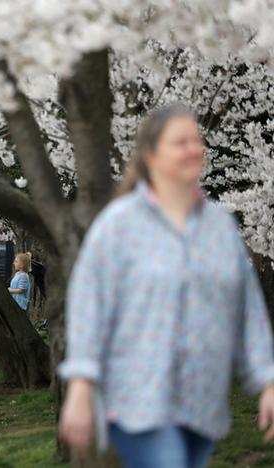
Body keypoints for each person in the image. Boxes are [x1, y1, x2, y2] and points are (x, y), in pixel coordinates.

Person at [58, 104, 274, 468]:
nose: (195, 148)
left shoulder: (219, 226)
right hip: (138, 401)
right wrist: (81, 384)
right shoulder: (119, 225)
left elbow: (247, 309)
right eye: (181, 141)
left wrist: (268, 381)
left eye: (198, 140)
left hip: (203, 402)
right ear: (151, 155)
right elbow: (88, 305)